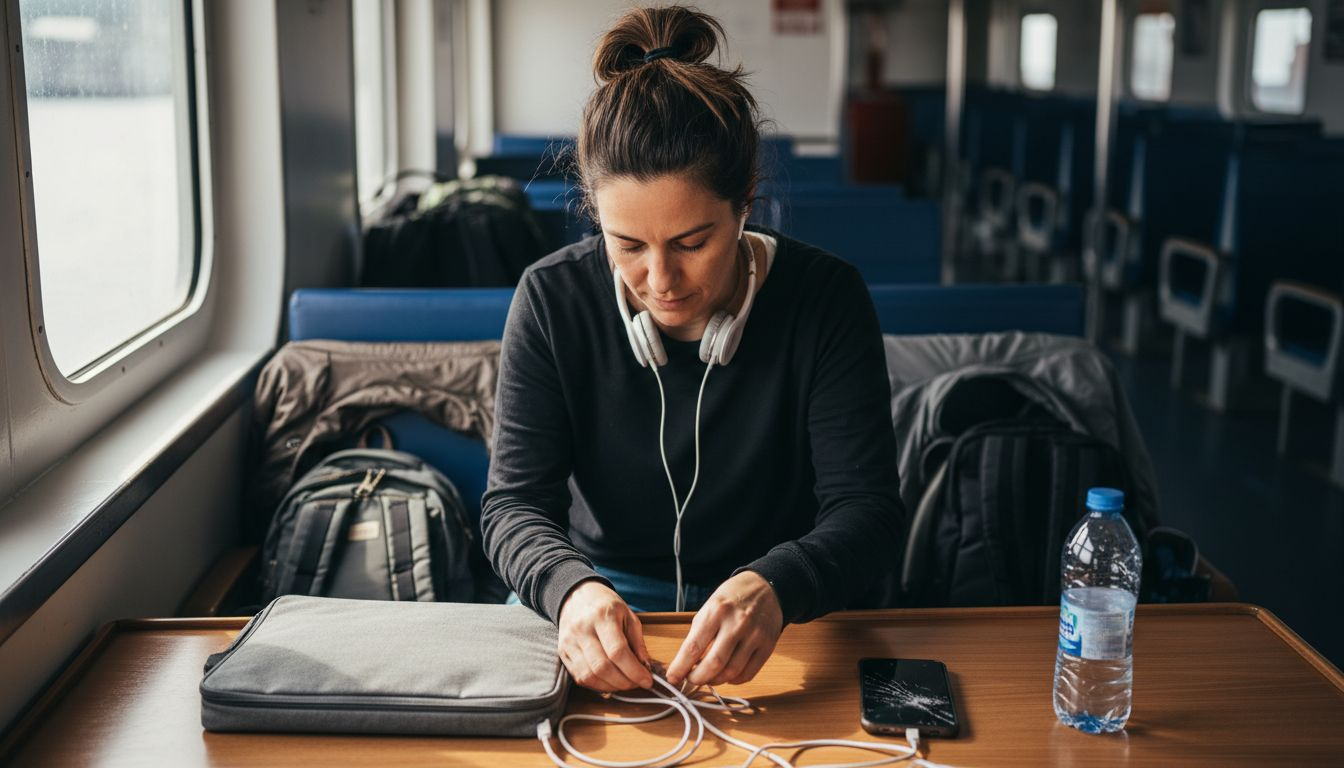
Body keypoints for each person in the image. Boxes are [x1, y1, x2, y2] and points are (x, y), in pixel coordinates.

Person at [480, 6, 902, 694]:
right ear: (594, 215)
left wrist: (776, 584)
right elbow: (512, 508)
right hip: (600, 598)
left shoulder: (826, 298)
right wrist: (571, 590)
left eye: (691, 242)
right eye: (628, 246)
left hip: (778, 606)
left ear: (746, 203)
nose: (661, 281)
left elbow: (869, 513)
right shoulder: (552, 299)